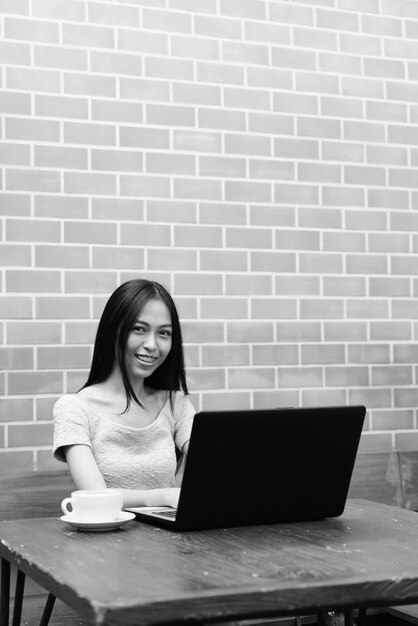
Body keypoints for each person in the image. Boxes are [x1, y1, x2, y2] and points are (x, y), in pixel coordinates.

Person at [53, 279, 195, 510]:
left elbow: (212, 462)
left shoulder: (175, 403)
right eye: (139, 329)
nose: (152, 344)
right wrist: (163, 497)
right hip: (104, 541)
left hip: (171, 541)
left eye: (164, 333)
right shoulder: (73, 408)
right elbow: (95, 496)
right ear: (113, 331)